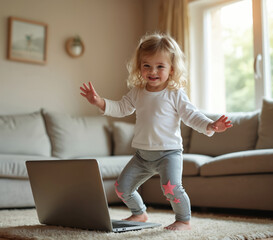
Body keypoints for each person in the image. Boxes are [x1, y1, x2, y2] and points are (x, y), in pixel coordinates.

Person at [79, 33, 232, 231]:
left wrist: (210, 125)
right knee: (121, 187)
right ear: (139, 67)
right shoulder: (137, 92)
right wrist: (99, 102)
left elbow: (191, 115)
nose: (153, 71)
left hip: (169, 153)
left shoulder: (175, 93)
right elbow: (122, 108)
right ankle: (139, 213)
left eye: (160, 66)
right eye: (147, 65)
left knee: (172, 189)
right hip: (142, 155)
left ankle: (183, 220)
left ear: (172, 69)